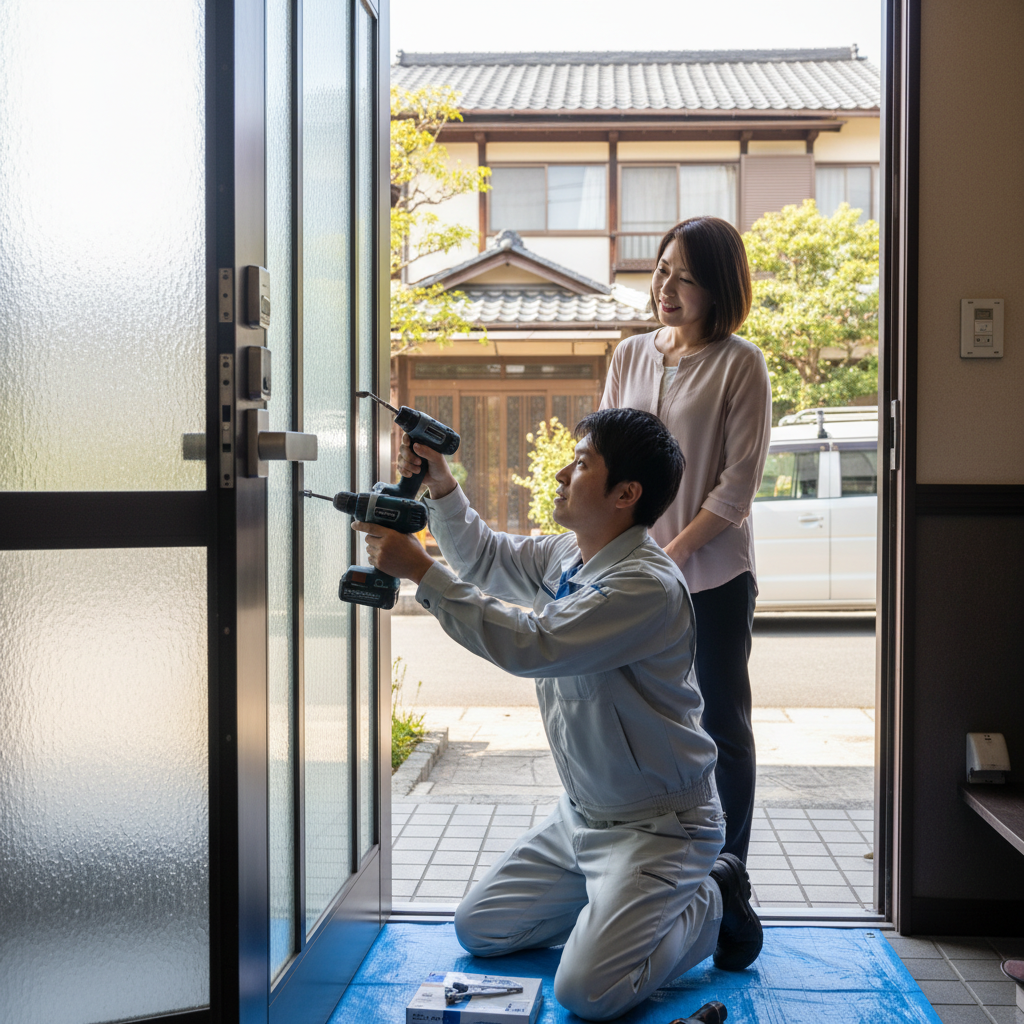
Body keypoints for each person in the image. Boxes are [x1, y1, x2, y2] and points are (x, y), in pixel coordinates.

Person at [354, 407, 762, 1022]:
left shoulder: (645, 585)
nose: (562, 474)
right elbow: (486, 558)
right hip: (582, 819)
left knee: (587, 993)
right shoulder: (567, 556)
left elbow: (532, 644)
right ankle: (619, 912)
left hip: (659, 829)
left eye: (581, 463)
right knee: (480, 929)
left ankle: (712, 898)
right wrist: (441, 485)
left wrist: (420, 570)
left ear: (626, 494)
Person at [601, 217, 772, 863]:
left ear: (720, 287)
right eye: (662, 270)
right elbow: (603, 460)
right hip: (631, 573)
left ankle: (730, 874)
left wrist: (670, 555)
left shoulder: (741, 364)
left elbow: (737, 486)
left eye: (688, 278)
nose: (666, 288)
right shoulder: (629, 355)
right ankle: (653, 862)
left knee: (721, 724)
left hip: (713, 578)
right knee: (634, 719)